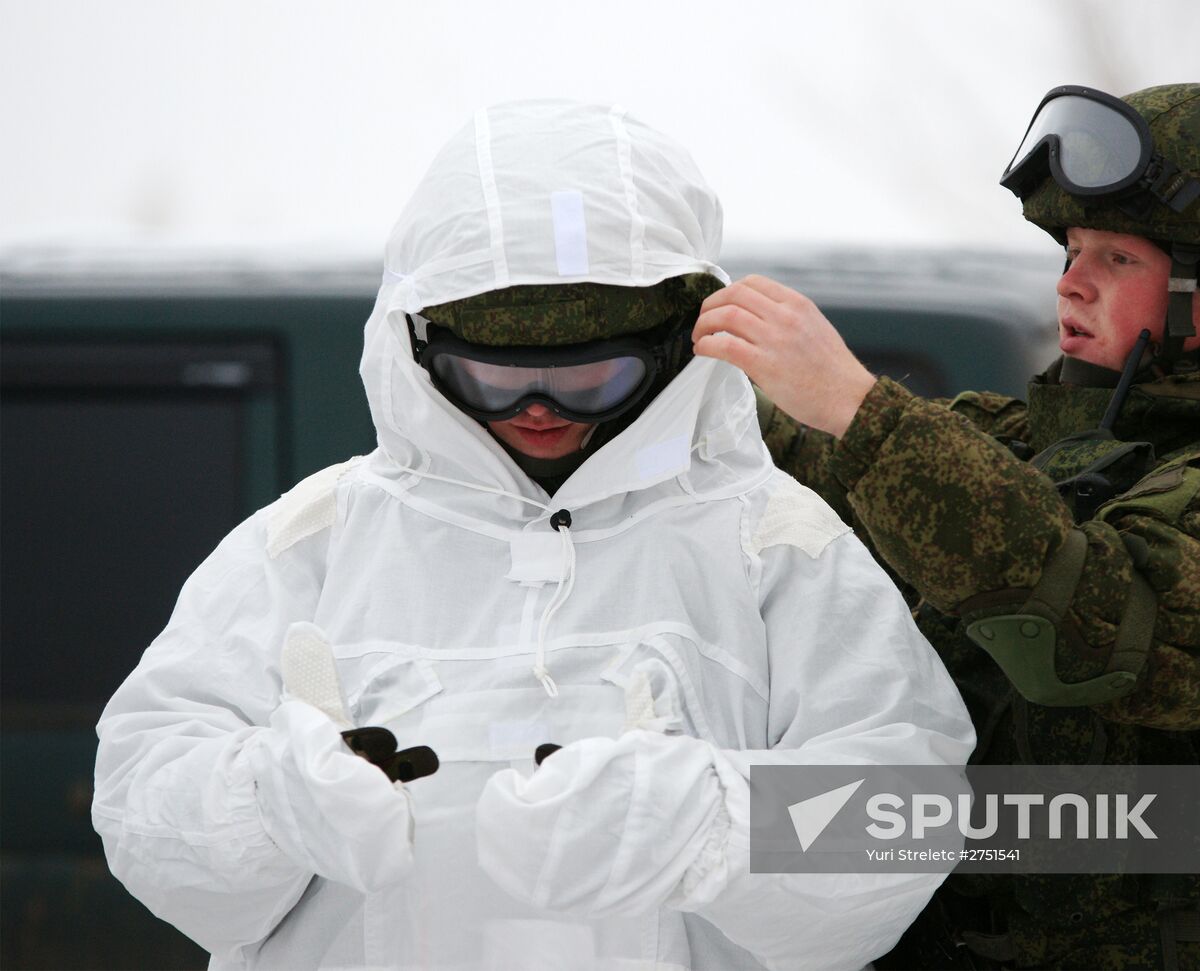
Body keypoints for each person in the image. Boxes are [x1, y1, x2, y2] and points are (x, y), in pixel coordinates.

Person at [91, 100, 975, 970]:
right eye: (495, 375)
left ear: (674, 347)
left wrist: (710, 825)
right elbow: (143, 797)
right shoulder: (310, 542)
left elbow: (907, 816)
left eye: (592, 376)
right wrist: (267, 803)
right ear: (419, 347)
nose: (541, 409)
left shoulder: (773, 545)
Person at [694, 83, 1200, 969]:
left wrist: (860, 406)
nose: (1069, 282)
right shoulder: (1058, 444)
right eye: (1070, 250)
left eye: (1116, 259)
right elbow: (803, 468)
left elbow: (1107, 632)